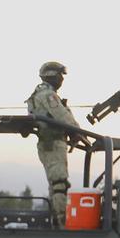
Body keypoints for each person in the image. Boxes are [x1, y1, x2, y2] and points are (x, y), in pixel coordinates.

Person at [25, 61, 77, 227]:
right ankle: (61, 221)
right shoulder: (48, 95)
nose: (62, 78)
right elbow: (63, 117)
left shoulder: (39, 94)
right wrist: (77, 131)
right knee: (59, 183)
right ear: (52, 75)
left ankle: (56, 219)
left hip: (49, 143)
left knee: (55, 185)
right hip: (53, 143)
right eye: (60, 75)